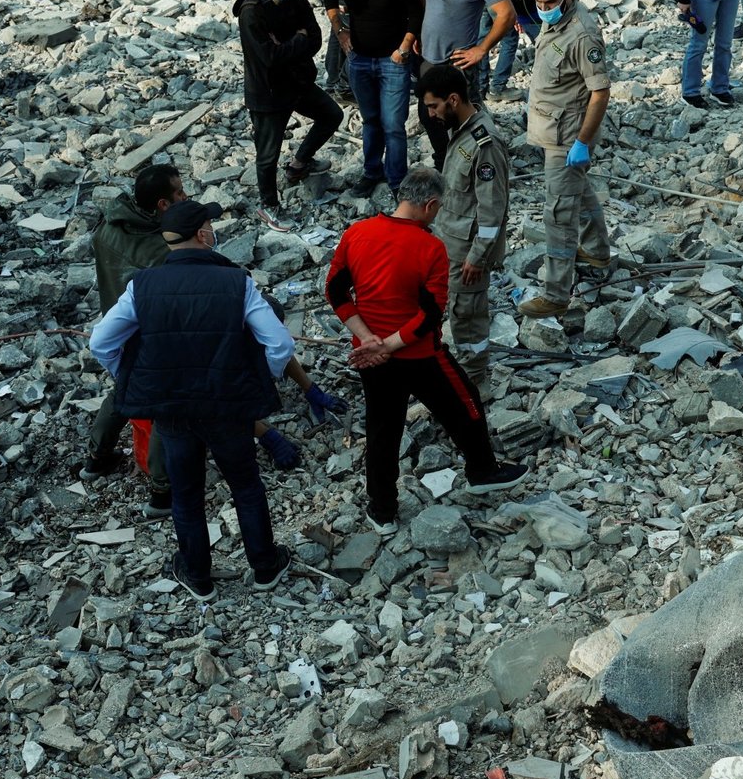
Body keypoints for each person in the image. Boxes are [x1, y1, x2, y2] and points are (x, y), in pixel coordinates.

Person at [86, 165, 346, 505]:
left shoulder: (112, 223)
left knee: (126, 391)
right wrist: (264, 423)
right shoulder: (166, 257)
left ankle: (96, 458)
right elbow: (235, 372)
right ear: (165, 205)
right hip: (159, 332)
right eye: (180, 192)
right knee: (172, 406)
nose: (186, 195)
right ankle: (163, 493)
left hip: (123, 320)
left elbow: (102, 339)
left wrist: (124, 371)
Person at [89, 199, 294, 601]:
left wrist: (130, 378)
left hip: (173, 408)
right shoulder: (237, 282)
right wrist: (258, 379)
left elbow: (101, 342)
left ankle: (198, 577)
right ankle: (265, 566)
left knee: (186, 492)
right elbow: (280, 343)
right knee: (246, 486)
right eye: (210, 226)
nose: (214, 231)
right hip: (227, 407)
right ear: (203, 234)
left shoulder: (142, 285)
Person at [325, 166, 526, 533]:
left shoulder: (357, 233)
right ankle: (482, 470)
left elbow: (336, 292)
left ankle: (382, 511)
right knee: (465, 405)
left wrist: (368, 339)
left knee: (383, 430)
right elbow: (430, 314)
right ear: (431, 205)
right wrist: (390, 344)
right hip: (419, 355)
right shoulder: (431, 247)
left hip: (370, 356)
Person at [517, 0, 611, 319]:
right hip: (553, 129)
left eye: (550, 1)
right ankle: (598, 250)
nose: (543, 8)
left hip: (567, 136)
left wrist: (583, 142)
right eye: (539, 2)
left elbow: (600, 92)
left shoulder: (582, 34)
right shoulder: (553, 20)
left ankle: (556, 293)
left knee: (558, 213)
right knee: (578, 191)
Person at [232, 0, 343, 230]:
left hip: (297, 82)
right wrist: (296, 40)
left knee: (332, 115)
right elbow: (267, 57)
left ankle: (299, 163)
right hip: (267, 93)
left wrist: (285, 45)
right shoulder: (251, 9)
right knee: (267, 156)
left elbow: (316, 38)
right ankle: (269, 205)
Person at [418, 65, 509, 384]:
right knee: (454, 311)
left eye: (433, 106)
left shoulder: (484, 143)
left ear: (453, 100)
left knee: (467, 316)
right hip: (451, 241)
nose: (430, 114)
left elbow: (492, 207)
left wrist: (478, 255)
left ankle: (474, 381)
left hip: (468, 252)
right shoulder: (462, 128)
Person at [322, 0, 421, 195]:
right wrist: (340, 31)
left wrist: (404, 48)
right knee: (371, 120)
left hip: (393, 61)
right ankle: (371, 172)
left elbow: (415, 13)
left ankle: (397, 180)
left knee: (393, 125)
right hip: (360, 60)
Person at [416, 0, 513, 163]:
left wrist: (481, 49)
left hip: (459, 62)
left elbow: (507, 14)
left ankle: (483, 161)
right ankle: (444, 160)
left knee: (466, 118)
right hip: (429, 57)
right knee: (428, 114)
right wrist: (420, 30)